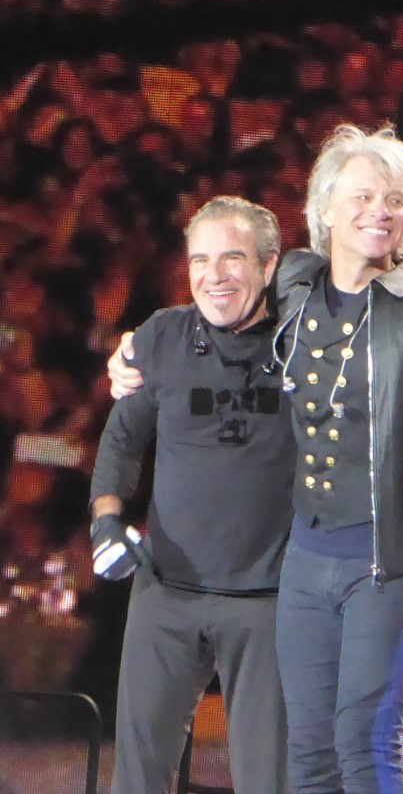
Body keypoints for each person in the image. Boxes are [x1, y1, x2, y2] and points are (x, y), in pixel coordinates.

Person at [107, 125, 403, 794]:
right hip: (307, 560)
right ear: (326, 209)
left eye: (395, 200)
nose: (379, 211)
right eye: (363, 196)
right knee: (308, 758)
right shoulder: (295, 284)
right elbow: (219, 298)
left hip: (386, 557)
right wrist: (136, 346)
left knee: (363, 743)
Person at [90, 195, 292, 794]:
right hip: (166, 595)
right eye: (200, 260)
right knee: (138, 776)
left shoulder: (306, 342)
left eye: (233, 258)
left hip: (269, 601)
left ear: (269, 265)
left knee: (268, 780)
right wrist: (105, 522)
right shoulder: (161, 336)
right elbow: (121, 442)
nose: (214, 275)